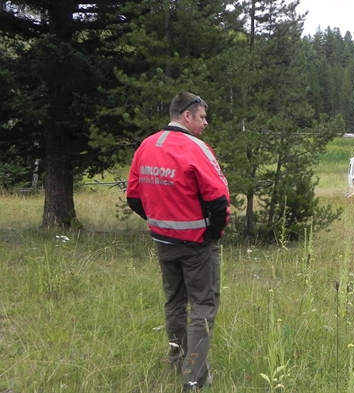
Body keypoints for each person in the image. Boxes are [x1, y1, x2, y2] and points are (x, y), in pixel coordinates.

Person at [126, 92, 230, 391]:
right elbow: (219, 200)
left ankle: (176, 357)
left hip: (163, 241)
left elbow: (134, 196)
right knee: (202, 307)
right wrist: (213, 233)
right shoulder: (196, 148)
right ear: (187, 116)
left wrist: (159, 219)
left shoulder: (147, 145)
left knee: (174, 301)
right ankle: (194, 377)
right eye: (202, 117)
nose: (205, 123)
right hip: (196, 243)